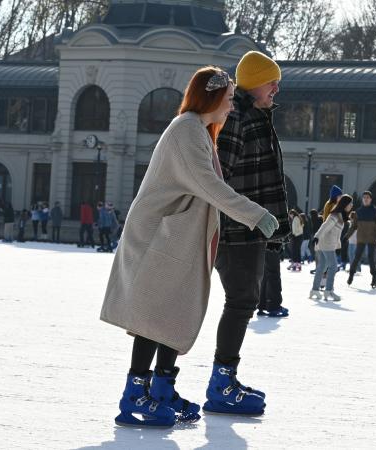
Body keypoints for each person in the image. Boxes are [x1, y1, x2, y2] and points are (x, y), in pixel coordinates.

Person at [101, 67, 277, 428]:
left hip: (178, 236)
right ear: (212, 99)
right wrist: (256, 215)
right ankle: (135, 394)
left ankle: (162, 388)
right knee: (153, 316)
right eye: (228, 100)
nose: (231, 107)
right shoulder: (186, 130)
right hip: (159, 237)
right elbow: (210, 186)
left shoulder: (200, 130)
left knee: (173, 313)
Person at [211, 51, 291, 416]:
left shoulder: (255, 116)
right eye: (271, 80)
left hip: (251, 229)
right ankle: (221, 381)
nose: (277, 87)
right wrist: (244, 219)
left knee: (245, 301)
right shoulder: (238, 118)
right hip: (236, 231)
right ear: (254, 82)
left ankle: (224, 377)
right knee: (242, 301)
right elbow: (218, 179)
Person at [310, 194, 353, 301]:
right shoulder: (334, 215)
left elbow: (336, 234)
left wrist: (338, 246)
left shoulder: (341, 215)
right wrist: (316, 237)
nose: (351, 205)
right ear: (345, 204)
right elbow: (325, 226)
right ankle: (328, 291)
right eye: (350, 203)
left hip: (328, 243)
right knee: (333, 266)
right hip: (326, 244)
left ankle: (314, 290)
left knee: (322, 267)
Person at [347, 191, 376, 289]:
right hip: (361, 238)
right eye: (364, 197)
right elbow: (354, 226)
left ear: (371, 199)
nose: (365, 199)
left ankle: (374, 277)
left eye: (367, 197)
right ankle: (351, 275)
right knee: (357, 257)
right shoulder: (358, 211)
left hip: (372, 238)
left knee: (371, 257)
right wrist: (346, 236)